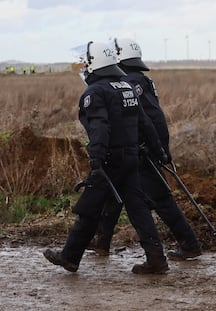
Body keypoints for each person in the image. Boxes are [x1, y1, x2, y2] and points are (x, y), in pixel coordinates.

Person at [43, 41, 170, 274]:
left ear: (95, 63)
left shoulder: (96, 92)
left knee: (90, 207)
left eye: (86, 61)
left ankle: (70, 256)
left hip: (110, 160)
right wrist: (159, 151)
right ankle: (156, 259)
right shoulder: (125, 86)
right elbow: (145, 122)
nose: (83, 66)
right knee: (138, 209)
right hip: (131, 157)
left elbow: (99, 128)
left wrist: (96, 159)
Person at [87, 38, 201, 260]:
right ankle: (102, 242)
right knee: (113, 194)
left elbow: (150, 118)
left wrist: (155, 149)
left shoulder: (131, 82)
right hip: (141, 150)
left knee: (160, 199)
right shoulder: (139, 80)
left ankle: (189, 244)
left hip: (143, 152)